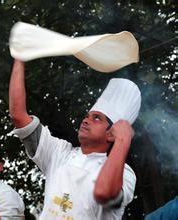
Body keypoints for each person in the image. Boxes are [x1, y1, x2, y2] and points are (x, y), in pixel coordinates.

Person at [9, 59, 141, 219]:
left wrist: (123, 140)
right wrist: (19, 59)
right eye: (87, 116)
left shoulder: (125, 174)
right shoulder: (59, 152)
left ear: (112, 134)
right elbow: (18, 116)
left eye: (97, 118)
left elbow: (103, 192)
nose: (86, 120)